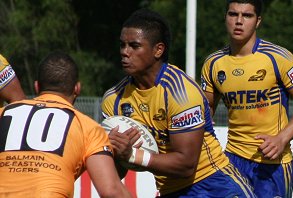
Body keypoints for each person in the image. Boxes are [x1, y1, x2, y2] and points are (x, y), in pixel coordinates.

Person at [101, 8, 255, 197]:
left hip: (214, 185)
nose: (125, 52)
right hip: (169, 191)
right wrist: (118, 154)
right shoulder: (113, 99)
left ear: (158, 50)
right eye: (122, 45)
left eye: (134, 46)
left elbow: (186, 165)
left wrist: (132, 154)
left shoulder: (180, 91)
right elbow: (116, 173)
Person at [201, 0, 293, 197]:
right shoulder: (213, 64)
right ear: (225, 17)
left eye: (247, 15)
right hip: (232, 160)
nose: (239, 21)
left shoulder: (278, 58)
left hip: (272, 164)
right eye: (233, 14)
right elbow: (205, 112)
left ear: (258, 21)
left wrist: (282, 138)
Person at [0, 51, 132, 198]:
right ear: (77, 88)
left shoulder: (3, 114)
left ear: (37, 86)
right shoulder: (88, 127)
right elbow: (111, 191)